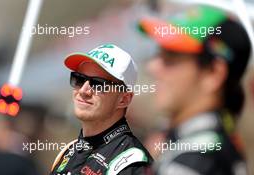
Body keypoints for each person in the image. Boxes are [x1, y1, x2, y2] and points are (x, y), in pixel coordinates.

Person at [138, 5, 251, 175]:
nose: (153, 67)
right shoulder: (184, 140)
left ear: (213, 73)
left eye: (171, 57)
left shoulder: (194, 162)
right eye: (158, 53)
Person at [50, 44, 153, 175]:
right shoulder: (68, 150)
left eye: (98, 84)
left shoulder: (133, 163)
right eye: (79, 79)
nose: (83, 91)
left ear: (124, 99)